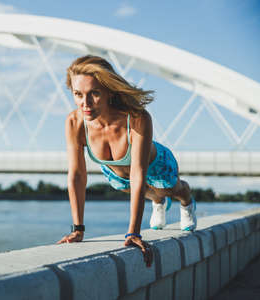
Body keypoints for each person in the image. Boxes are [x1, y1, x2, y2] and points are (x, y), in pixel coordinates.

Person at [57, 55, 197, 267]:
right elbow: (77, 175)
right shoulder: (74, 122)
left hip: (155, 165)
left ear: (109, 91)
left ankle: (186, 201)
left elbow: (138, 172)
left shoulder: (137, 117)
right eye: (78, 94)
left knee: (169, 188)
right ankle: (157, 202)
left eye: (94, 94)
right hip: (117, 175)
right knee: (135, 190)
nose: (85, 104)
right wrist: (78, 229)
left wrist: (133, 232)